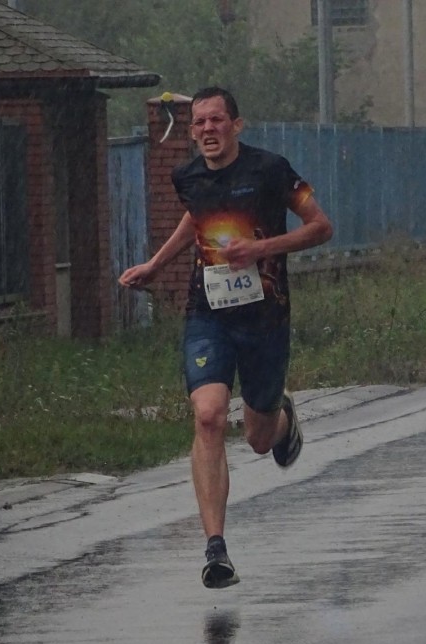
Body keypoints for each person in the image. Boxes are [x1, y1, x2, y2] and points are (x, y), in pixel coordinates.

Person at [118, 86, 333, 589]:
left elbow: (321, 227)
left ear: (236, 125)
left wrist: (263, 248)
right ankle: (216, 548)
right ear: (192, 131)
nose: (208, 129)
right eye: (199, 122)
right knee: (210, 415)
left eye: (217, 120)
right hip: (208, 314)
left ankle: (282, 421)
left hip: (265, 319)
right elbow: (195, 217)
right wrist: (155, 264)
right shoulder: (187, 176)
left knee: (257, 439)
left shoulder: (271, 169)